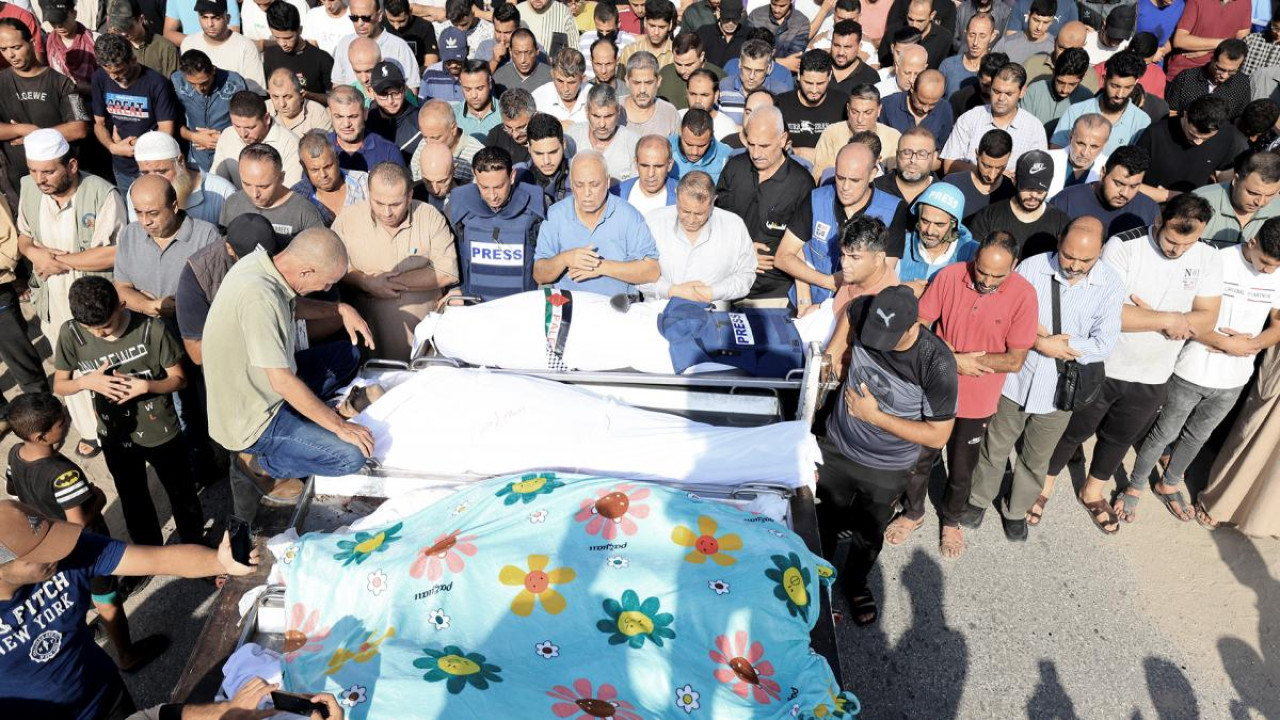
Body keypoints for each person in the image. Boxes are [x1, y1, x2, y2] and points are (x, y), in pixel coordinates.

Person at [1045, 194, 1221, 532]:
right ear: (1158, 220)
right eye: (1171, 240)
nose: (1177, 250)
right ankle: (1045, 484)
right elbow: (1109, 313)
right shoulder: (1124, 247)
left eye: (1187, 243)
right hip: (1105, 364)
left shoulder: (1209, 257)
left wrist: (1147, 313)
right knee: (1074, 431)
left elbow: (1207, 320)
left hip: (1155, 372)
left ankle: (1092, 490)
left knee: (1118, 438)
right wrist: (1170, 318)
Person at [0, 498, 257, 720]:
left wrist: (219, 562)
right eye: (41, 554)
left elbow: (159, 559)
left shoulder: (65, 554)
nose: (56, 555)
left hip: (106, 695)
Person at [959, 216, 1123, 534]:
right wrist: (1039, 342)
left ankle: (1016, 510)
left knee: (1037, 458)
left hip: (1060, 388)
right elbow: (1000, 317)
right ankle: (978, 501)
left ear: (1100, 251)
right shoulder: (1032, 268)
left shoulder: (1111, 284)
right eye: (1068, 255)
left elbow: (1103, 344)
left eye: (1085, 260)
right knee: (995, 446)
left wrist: (1065, 344)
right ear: (1059, 241)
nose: (1074, 265)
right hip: (1015, 381)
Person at [816, 283, 957, 625]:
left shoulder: (935, 363)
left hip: (886, 466)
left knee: (868, 532)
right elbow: (841, 336)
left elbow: (939, 434)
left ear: (914, 326)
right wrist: (831, 361)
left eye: (888, 338)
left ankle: (854, 583)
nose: (878, 344)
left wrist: (875, 417)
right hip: (837, 445)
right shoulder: (863, 309)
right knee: (823, 521)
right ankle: (817, 583)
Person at [891, 231, 1037, 557]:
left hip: (977, 401)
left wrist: (974, 362)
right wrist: (953, 360)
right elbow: (921, 324)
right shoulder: (951, 276)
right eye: (981, 270)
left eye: (996, 276)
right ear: (975, 258)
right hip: (935, 388)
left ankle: (952, 521)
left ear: (1014, 265)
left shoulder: (1024, 294)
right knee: (919, 459)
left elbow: (1015, 360)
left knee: (961, 469)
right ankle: (913, 513)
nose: (985, 280)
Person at [205, 227, 373, 507]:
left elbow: (293, 305)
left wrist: (340, 310)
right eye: (327, 283)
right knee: (350, 456)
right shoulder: (259, 296)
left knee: (347, 355)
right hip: (253, 417)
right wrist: (339, 427)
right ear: (306, 272)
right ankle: (262, 464)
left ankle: (310, 415)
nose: (328, 290)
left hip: (262, 384)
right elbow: (281, 381)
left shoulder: (263, 264)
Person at [1130, 217, 1280, 522]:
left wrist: (1252, 345)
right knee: (1165, 432)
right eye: (1264, 261)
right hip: (1192, 368)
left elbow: (1278, 323)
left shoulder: (1278, 273)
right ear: (1252, 243)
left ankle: (1169, 482)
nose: (1268, 270)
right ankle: (1133, 487)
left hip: (1234, 378)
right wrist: (1226, 343)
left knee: (1198, 436)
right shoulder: (1216, 261)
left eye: (1274, 266)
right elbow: (1186, 315)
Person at [4, 392, 167, 674]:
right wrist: (99, 499)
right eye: (61, 421)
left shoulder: (15, 454)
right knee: (107, 597)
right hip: (80, 547)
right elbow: (77, 524)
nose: (67, 421)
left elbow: (12, 491)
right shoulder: (62, 473)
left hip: (44, 546)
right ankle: (126, 654)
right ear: (42, 436)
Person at [53, 275, 206, 547]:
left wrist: (146, 386)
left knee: (182, 493)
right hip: (114, 433)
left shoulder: (153, 330)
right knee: (132, 497)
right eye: (92, 330)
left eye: (107, 326)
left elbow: (179, 379)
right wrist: (87, 381)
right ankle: (148, 555)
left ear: (121, 305)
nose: (101, 334)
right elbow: (60, 385)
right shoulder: (71, 334)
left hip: (161, 429)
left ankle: (196, 547)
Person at [18, 129, 124, 459]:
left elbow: (113, 253)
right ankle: (90, 431)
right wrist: (35, 256)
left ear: (72, 165)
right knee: (70, 368)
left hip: (93, 306)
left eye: (48, 171)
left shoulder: (102, 194)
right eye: (34, 170)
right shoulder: (28, 189)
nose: (40, 179)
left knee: (106, 366)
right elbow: (24, 237)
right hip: (52, 301)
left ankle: (118, 428)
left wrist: (56, 260)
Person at [332, 161, 456, 359]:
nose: (387, 212)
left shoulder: (429, 217)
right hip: (368, 355)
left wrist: (387, 283)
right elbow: (332, 269)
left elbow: (447, 272)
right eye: (379, 203)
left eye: (395, 204)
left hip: (424, 353)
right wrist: (365, 282)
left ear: (409, 196)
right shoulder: (348, 220)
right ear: (369, 193)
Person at [777, 142, 909, 307]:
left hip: (856, 308)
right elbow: (783, 257)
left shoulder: (893, 209)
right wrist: (824, 283)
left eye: (854, 180)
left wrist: (828, 309)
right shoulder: (816, 199)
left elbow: (880, 273)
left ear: (872, 173)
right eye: (840, 178)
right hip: (807, 305)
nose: (845, 187)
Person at [715, 105, 815, 308]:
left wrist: (804, 300)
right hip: (725, 282)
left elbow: (804, 246)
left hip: (772, 293)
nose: (756, 153)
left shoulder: (801, 183)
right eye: (751, 144)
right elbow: (715, 222)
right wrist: (744, 252)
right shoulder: (734, 168)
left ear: (783, 139)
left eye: (764, 146)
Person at [533, 149, 658, 296]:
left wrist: (601, 267)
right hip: (570, 309)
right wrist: (565, 259)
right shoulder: (556, 215)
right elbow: (539, 275)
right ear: (572, 184)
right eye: (579, 185)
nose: (587, 193)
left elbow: (652, 271)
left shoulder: (628, 215)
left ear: (607, 181)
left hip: (617, 309)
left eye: (594, 184)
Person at [0, 17, 90, 208]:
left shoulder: (62, 82)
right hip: (21, 183)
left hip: (63, 184)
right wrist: (25, 129)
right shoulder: (1, 82)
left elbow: (79, 128)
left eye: (16, 47)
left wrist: (36, 135)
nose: (11, 55)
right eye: (3, 49)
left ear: (31, 43)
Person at [635, 169, 754, 302]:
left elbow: (746, 275)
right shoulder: (653, 222)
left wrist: (711, 292)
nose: (691, 220)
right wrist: (672, 290)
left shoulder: (734, 226)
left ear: (713, 201)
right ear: (676, 195)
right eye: (685, 211)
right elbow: (636, 272)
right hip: (658, 313)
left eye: (699, 214)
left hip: (712, 314)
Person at [448, 146, 547, 301]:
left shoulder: (537, 205)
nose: (493, 195)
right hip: (475, 307)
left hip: (523, 307)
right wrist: (454, 290)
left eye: (499, 186)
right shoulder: (458, 205)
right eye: (484, 187)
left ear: (512, 176)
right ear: (475, 176)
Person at [91, 32, 179, 192]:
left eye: (119, 71)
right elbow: (99, 124)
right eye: (108, 71)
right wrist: (112, 147)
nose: (113, 77)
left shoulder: (157, 83)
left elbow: (166, 130)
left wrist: (138, 147)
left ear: (133, 60)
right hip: (121, 168)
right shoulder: (99, 79)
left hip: (154, 166)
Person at [1138, 96, 1250, 202]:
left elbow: (1224, 181)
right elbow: (1130, 183)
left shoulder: (1228, 137)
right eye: (1192, 135)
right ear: (1186, 115)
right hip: (1153, 205)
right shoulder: (1155, 134)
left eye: (1206, 139)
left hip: (1195, 210)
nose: (1198, 142)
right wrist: (1173, 196)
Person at [942, 62, 1046, 174]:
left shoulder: (1034, 128)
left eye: (1008, 93)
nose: (1001, 98)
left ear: (1022, 92)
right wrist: (988, 173)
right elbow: (949, 165)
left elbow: (1037, 172)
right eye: (996, 91)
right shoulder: (969, 119)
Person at [968, 149, 1069, 259]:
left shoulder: (1060, 222)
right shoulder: (988, 217)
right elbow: (973, 258)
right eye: (1028, 188)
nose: (1034, 195)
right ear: (1014, 180)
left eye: (1040, 190)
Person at [1052, 52, 1151, 155]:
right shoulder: (1076, 111)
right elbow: (1056, 152)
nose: (1120, 94)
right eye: (1115, 86)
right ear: (1104, 80)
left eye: (1127, 87)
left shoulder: (1142, 122)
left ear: (1135, 83)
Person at [219, 143, 324, 241]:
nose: (254, 194)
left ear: (281, 178)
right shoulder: (232, 204)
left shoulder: (304, 212)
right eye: (247, 184)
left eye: (263, 186)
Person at [1049, 146, 1161, 238]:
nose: (1125, 193)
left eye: (1134, 186)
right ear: (1103, 173)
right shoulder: (1066, 201)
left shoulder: (1149, 210)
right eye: (1118, 183)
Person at [209, 90, 303, 191]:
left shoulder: (291, 145)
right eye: (237, 126)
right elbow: (216, 184)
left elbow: (291, 193)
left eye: (250, 127)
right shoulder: (228, 135)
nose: (243, 134)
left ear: (266, 118)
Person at [171, 49, 244, 176]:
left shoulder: (234, 82)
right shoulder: (176, 81)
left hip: (229, 154)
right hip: (195, 157)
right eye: (192, 84)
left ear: (213, 71)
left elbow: (246, 120)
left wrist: (224, 139)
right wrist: (193, 136)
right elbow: (170, 121)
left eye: (204, 82)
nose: (199, 89)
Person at [896, 181, 978, 286]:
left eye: (939, 224)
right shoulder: (899, 245)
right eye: (925, 221)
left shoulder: (974, 254)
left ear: (954, 223)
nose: (930, 231)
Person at [331, 0, 420, 94]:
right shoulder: (344, 44)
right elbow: (338, 86)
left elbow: (412, 89)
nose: (360, 23)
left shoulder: (399, 47)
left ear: (379, 15)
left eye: (366, 18)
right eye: (354, 18)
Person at [1194, 150, 1280, 247]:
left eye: (1270, 195)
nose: (1260, 202)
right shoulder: (1199, 202)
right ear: (1236, 180)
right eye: (1253, 193)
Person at [776, 49, 849, 160]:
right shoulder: (780, 104)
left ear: (829, 77)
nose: (814, 90)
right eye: (808, 83)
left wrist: (800, 152)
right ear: (799, 76)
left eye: (820, 83)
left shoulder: (844, 104)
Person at [814, 83, 901, 175]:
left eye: (867, 112)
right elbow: (820, 175)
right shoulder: (832, 134)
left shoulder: (893, 137)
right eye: (854, 112)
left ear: (879, 110)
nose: (860, 119)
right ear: (848, 109)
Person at [294, 129, 370, 226]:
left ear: (337, 158)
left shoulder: (364, 183)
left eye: (328, 166)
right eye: (315, 170)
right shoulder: (298, 197)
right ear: (304, 167)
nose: (323, 175)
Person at [263, 0, 334, 103]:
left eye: (288, 38)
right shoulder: (270, 54)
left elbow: (336, 99)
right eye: (277, 37)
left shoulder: (322, 59)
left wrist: (309, 96)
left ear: (299, 30)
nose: (283, 43)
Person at [1164, 0, 1252, 82]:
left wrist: (1208, 49)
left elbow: (1240, 44)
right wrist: (1222, 43)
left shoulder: (1245, 3)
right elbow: (1179, 40)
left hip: (1221, 73)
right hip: (1185, 70)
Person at [568, 82, 640, 180]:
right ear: (586, 112)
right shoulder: (573, 136)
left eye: (608, 116)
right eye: (596, 116)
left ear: (618, 112)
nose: (602, 124)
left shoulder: (633, 141)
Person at [327, 83, 405, 174]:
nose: (346, 124)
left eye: (353, 116)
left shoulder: (388, 152)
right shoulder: (320, 149)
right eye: (339, 116)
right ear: (329, 114)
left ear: (365, 113)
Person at [942, 128, 1014, 224]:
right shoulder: (951, 184)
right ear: (977, 154)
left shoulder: (1011, 191)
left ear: (1009, 157)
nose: (991, 175)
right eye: (986, 166)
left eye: (999, 167)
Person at [1167, 38, 1250, 120]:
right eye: (1220, 69)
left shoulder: (1242, 84)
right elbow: (1171, 111)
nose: (1224, 76)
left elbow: (1238, 119)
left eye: (1232, 71)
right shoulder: (1186, 78)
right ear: (1213, 59)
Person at [407, 97, 484, 183]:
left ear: (453, 129)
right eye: (425, 137)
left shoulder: (477, 156)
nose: (428, 143)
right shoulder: (423, 145)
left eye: (436, 138)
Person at [1021, 47, 1093, 136]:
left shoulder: (1087, 100)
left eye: (1072, 84)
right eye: (1060, 82)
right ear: (1054, 72)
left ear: (1083, 77)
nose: (1064, 90)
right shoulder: (1034, 90)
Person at [879, 68, 954, 148]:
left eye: (933, 104)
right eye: (921, 102)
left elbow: (944, 148)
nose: (926, 109)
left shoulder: (944, 109)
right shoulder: (888, 106)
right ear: (912, 88)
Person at [1045, 112, 1111, 199]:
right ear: (1071, 136)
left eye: (1094, 146)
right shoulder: (1047, 160)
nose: (1085, 153)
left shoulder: (1110, 171)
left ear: (1104, 145)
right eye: (1080, 143)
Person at [109, 0, 179, 78]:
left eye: (129, 27)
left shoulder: (165, 48)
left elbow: (174, 83)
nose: (124, 33)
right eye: (119, 29)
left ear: (141, 19)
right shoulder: (115, 48)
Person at [656, 32, 721, 110]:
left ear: (701, 56)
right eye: (678, 64)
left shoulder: (720, 78)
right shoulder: (664, 74)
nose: (682, 70)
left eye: (688, 65)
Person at [718, 38, 779, 122]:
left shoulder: (780, 93)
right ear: (739, 63)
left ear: (768, 68)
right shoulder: (724, 86)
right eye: (747, 69)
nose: (751, 76)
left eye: (758, 71)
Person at [613, 133, 676, 213]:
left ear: (669, 165)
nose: (651, 174)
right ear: (636, 163)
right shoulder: (615, 195)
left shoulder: (683, 197)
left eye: (658, 166)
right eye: (644, 166)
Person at [874, 125, 936, 204]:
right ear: (897, 155)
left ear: (933, 157)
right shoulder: (875, 189)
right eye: (907, 153)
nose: (913, 160)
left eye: (922, 154)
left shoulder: (944, 196)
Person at [622, 50, 678, 137]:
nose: (642, 90)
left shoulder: (669, 113)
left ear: (658, 81)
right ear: (627, 81)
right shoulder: (613, 108)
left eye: (649, 83)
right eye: (636, 83)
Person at [520, 111, 572, 203]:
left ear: (564, 145)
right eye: (539, 154)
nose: (546, 161)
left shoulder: (579, 174)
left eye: (553, 152)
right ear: (529, 149)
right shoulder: (517, 178)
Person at [939, 12, 995, 97]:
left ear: (992, 36)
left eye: (982, 36)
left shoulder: (998, 69)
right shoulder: (948, 66)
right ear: (965, 34)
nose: (975, 42)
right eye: (972, 35)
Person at [366, 60, 420, 148]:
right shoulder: (365, 122)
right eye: (383, 94)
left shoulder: (419, 122)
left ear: (404, 88)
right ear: (371, 92)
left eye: (395, 93)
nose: (390, 101)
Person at [532, 46, 589, 126]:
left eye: (571, 82)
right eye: (560, 81)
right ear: (552, 74)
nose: (565, 89)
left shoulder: (594, 98)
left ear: (583, 79)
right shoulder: (538, 98)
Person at [669, 107, 730, 181]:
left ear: (711, 135)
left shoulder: (727, 157)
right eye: (689, 144)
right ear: (680, 132)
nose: (694, 152)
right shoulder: (663, 150)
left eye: (701, 146)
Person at [268, 67, 334, 136]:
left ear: (301, 95)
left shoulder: (317, 113)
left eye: (287, 97)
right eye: (275, 97)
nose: (282, 104)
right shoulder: (264, 109)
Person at [682, 67, 739, 142]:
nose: (697, 100)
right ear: (687, 93)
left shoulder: (727, 126)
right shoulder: (677, 118)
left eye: (704, 95)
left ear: (716, 96)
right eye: (693, 94)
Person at [748, 0, 810, 64]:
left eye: (782, 6)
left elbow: (794, 61)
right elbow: (746, 52)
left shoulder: (802, 22)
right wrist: (779, 61)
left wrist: (765, 61)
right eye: (773, 4)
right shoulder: (755, 15)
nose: (777, 10)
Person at [453, 59, 500, 141]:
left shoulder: (504, 113)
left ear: (490, 84)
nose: (474, 95)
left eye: (480, 88)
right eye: (468, 89)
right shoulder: (452, 115)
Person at [486, 87, 536, 164]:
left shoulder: (547, 136)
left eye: (521, 127)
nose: (515, 135)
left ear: (534, 116)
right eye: (508, 127)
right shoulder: (495, 136)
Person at [383, 0, 438, 68]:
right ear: (385, 13)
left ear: (410, 12)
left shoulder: (424, 27)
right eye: (391, 21)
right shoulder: (381, 27)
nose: (396, 26)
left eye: (401, 21)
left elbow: (431, 64)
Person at [620, 0, 674, 66]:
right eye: (652, 26)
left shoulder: (677, 54)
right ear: (645, 22)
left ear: (670, 25)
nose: (656, 32)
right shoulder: (629, 51)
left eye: (661, 27)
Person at [419, 26, 465, 101]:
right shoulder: (430, 74)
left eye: (458, 60)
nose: (454, 65)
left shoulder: (475, 73)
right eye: (448, 61)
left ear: (467, 52)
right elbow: (423, 105)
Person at [696, 0, 744, 68]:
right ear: (718, 11)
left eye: (735, 19)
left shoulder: (749, 35)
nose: (730, 23)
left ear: (741, 14)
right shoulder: (704, 33)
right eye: (726, 18)